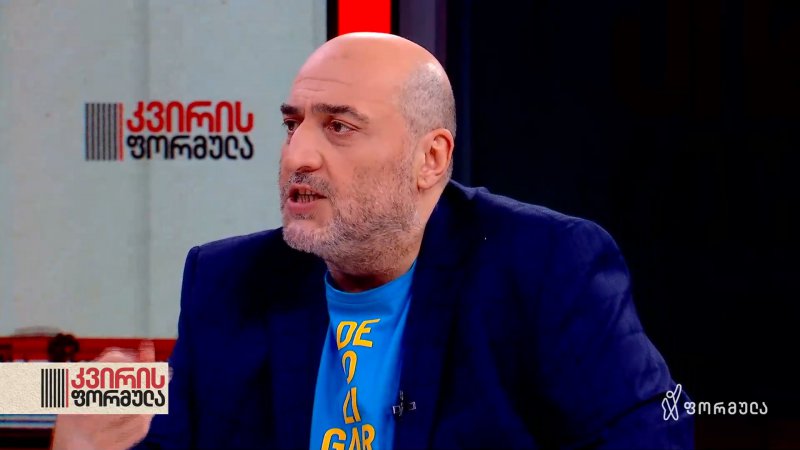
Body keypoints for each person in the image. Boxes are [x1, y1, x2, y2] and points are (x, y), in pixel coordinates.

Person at [52, 32, 693, 449]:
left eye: (339, 127)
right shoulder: (227, 282)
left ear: (430, 159)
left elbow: (652, 436)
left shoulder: (544, 268)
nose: (297, 155)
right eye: (293, 125)